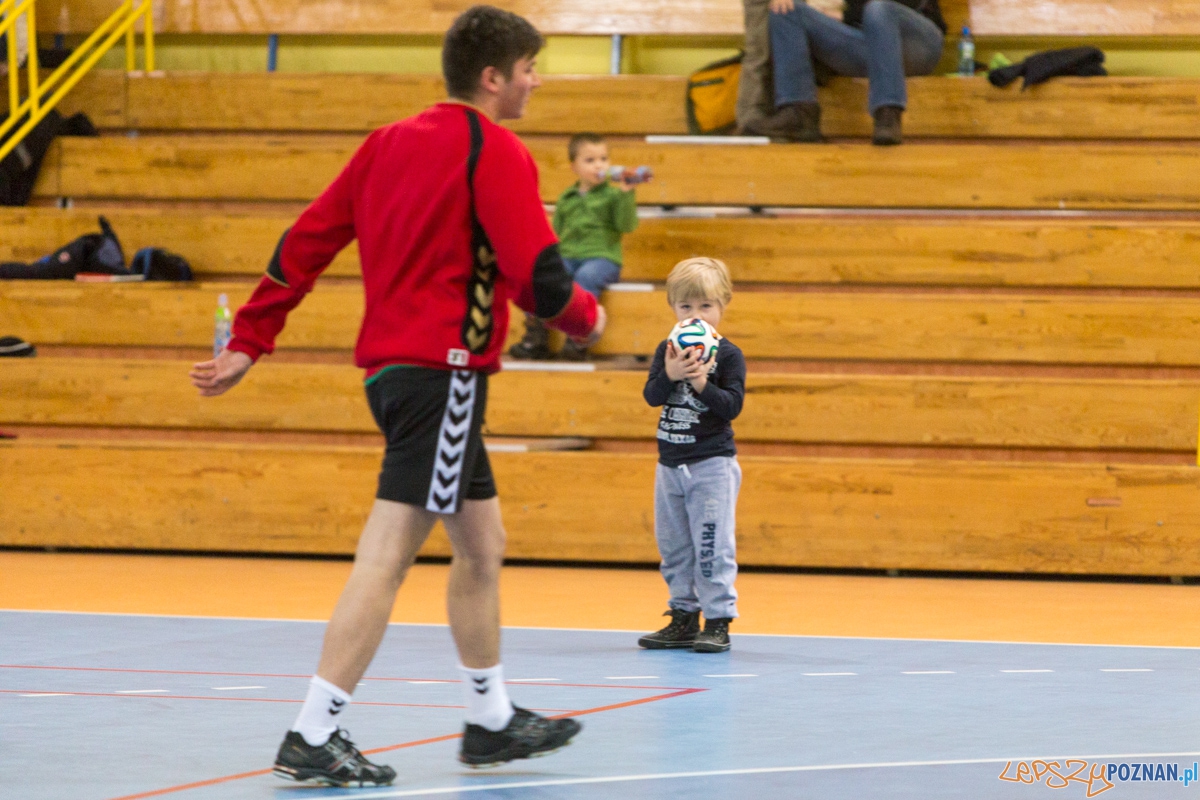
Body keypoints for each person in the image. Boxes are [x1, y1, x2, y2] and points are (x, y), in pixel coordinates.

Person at [189, 5, 604, 787]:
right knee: (387, 555)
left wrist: (250, 339)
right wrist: (587, 317)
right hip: (443, 374)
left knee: (483, 544)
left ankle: (489, 720)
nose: (535, 81)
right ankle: (313, 731)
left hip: (396, 376)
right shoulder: (496, 150)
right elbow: (540, 277)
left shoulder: (386, 144)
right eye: (529, 69)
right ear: (493, 77)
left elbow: (303, 242)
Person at [638, 258, 745, 654]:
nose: (695, 315)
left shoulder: (729, 355)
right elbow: (652, 397)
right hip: (670, 465)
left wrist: (700, 381)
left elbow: (731, 406)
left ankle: (718, 620)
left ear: (723, 305)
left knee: (711, 544)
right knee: (675, 546)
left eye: (705, 306)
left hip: (711, 465)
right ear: (672, 308)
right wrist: (669, 374)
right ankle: (683, 615)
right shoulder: (667, 351)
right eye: (686, 307)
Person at [510, 132, 638, 361]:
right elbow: (554, 233)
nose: (599, 165)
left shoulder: (613, 196)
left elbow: (626, 225)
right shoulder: (566, 198)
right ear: (574, 167)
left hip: (602, 258)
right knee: (541, 279)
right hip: (568, 255)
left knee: (585, 278)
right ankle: (536, 336)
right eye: (590, 160)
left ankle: (578, 338)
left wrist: (626, 194)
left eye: (603, 159)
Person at [746, 0, 946, 145]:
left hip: (917, 43)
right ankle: (799, 114)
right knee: (785, 10)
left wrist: (845, 15)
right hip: (866, 43)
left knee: (879, 8)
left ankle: (888, 114)